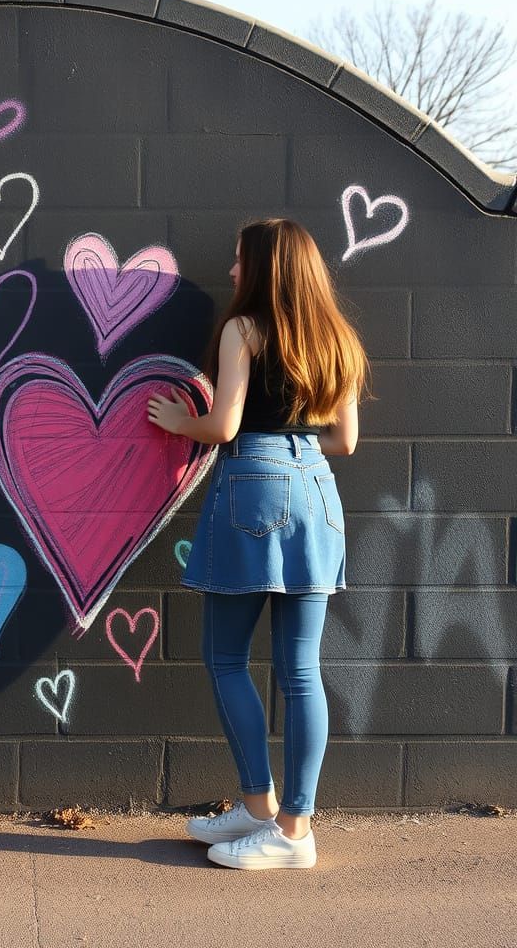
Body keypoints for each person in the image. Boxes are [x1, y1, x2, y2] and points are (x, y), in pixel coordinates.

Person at [147, 219, 367, 871]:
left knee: (225, 658)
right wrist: (296, 444)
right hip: (318, 492)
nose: (235, 271)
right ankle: (290, 823)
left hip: (254, 482)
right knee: (301, 670)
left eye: (242, 261)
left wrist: (177, 421)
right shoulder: (339, 339)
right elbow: (345, 440)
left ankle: (264, 810)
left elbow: (225, 424)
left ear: (269, 268)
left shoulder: (244, 330)